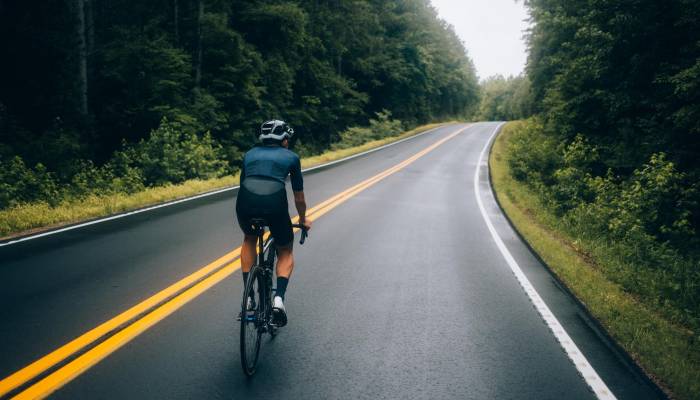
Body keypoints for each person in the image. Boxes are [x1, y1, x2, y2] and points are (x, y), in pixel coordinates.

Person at [236, 120, 312, 326]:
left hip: (245, 203)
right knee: (285, 250)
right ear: (284, 140)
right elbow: (299, 198)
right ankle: (278, 300)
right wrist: (303, 219)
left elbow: (244, 182)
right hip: (274, 205)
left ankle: (249, 297)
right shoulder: (292, 157)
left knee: (249, 238)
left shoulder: (249, 155)